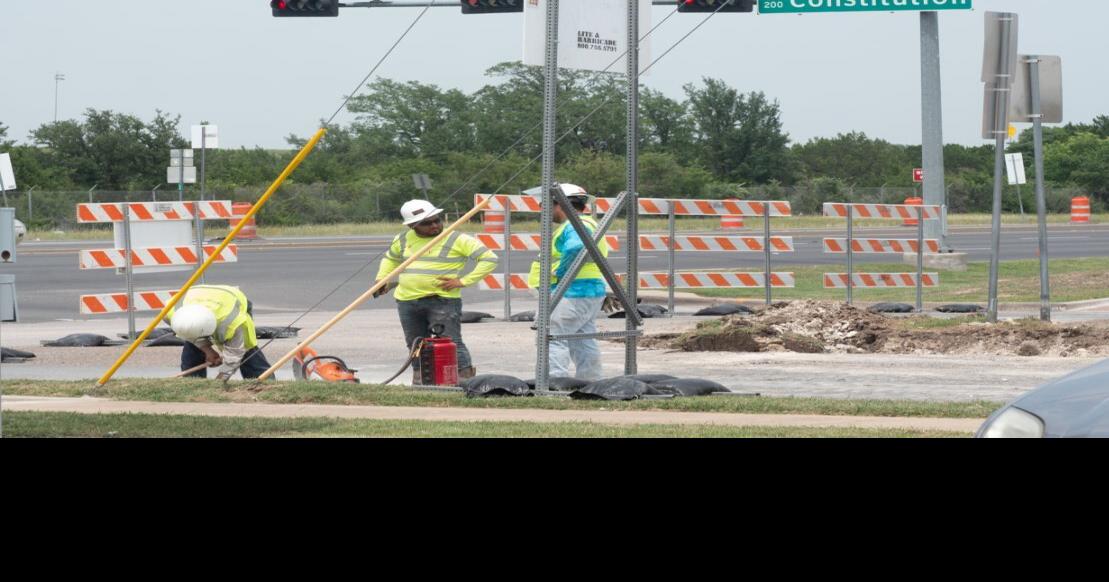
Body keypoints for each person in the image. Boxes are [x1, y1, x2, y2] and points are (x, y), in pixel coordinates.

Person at [374, 199, 498, 383]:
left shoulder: (456, 238)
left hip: (442, 301)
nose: (434, 225)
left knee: (450, 342)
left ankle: (464, 379)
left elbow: (489, 259)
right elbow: (390, 259)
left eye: (437, 220)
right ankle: (421, 378)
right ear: (412, 225)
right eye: (426, 223)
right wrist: (382, 279)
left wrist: (463, 281)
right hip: (407, 300)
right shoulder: (402, 239)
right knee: (416, 343)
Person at [528, 183, 608, 381]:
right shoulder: (587, 224)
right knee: (582, 339)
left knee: (552, 338)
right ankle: (590, 381)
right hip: (585, 292)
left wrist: (560, 274)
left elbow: (575, 249)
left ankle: (553, 383)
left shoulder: (574, 225)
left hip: (570, 292)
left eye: (546, 206)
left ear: (559, 204)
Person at [166, 284, 271, 380]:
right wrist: (206, 349)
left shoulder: (234, 323)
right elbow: (188, 334)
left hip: (231, 299)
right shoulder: (173, 313)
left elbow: (234, 355)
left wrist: (220, 379)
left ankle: (263, 383)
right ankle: (192, 383)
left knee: (246, 349)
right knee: (191, 344)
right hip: (198, 296)